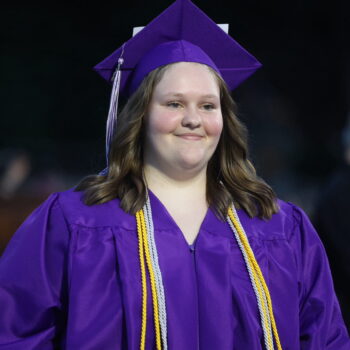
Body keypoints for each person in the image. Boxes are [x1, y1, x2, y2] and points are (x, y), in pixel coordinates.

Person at [0, 0, 349, 349]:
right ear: (140, 117)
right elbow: (15, 334)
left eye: (208, 105)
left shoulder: (280, 228)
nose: (193, 119)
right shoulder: (73, 223)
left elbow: (325, 339)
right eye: (174, 104)